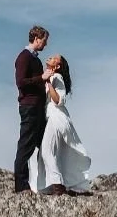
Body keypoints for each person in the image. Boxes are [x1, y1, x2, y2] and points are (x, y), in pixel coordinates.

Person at [29, 54, 92, 196]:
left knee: (47, 150)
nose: (50, 57)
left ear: (57, 66)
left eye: (54, 58)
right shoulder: (50, 77)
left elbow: (58, 100)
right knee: (49, 152)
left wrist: (48, 83)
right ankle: (54, 185)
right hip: (50, 118)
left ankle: (58, 186)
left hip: (56, 117)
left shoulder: (57, 77)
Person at [13, 24, 49, 193]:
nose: (46, 44)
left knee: (45, 144)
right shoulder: (24, 57)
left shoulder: (35, 59)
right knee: (26, 145)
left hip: (38, 107)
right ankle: (21, 185)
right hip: (29, 106)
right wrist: (41, 78)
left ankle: (47, 182)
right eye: (44, 40)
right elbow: (21, 82)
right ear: (36, 39)